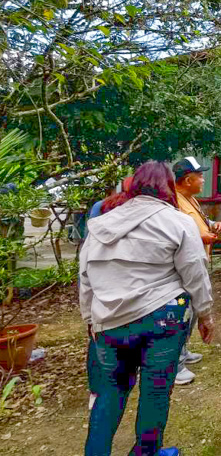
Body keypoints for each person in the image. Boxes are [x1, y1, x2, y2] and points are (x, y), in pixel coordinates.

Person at [79, 161, 214, 456]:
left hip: (110, 323)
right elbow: (195, 272)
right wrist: (205, 315)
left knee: (110, 392)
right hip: (162, 319)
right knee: (155, 394)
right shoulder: (178, 221)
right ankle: (146, 452)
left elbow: (86, 276)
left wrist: (90, 318)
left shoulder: (102, 223)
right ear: (169, 185)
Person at [171, 157, 221, 385]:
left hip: (196, 262)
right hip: (182, 268)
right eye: (200, 175)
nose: (203, 179)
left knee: (191, 313)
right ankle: (175, 365)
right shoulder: (174, 202)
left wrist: (211, 225)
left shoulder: (190, 199)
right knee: (182, 314)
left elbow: (197, 222)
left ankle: (183, 351)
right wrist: (199, 236)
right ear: (187, 179)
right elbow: (177, 230)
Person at [84, 175, 133, 412]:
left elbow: (88, 245)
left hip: (100, 279)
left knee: (98, 336)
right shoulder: (132, 209)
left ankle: (98, 389)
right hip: (118, 279)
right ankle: (108, 388)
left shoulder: (100, 207)